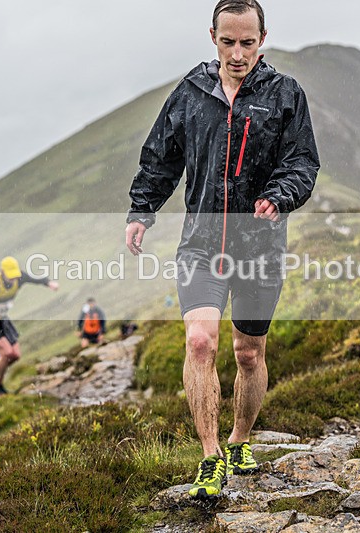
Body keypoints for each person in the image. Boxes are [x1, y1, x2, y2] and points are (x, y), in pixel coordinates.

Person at [125, 0, 319, 499]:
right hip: (202, 244)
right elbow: (161, 157)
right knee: (200, 342)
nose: (237, 54)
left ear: (262, 39)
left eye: (247, 43)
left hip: (260, 248)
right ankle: (211, 457)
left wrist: (279, 195)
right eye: (228, 42)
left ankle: (239, 440)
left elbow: (302, 162)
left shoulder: (285, 95)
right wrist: (142, 210)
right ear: (212, 36)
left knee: (248, 353)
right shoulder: (191, 92)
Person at [0, 256, 59, 394]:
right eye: (10, 276)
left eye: (14, 276)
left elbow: (35, 279)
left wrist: (48, 283)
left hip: (1, 317)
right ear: (2, 272)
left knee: (15, 355)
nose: (13, 279)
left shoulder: (20, 277)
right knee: (7, 353)